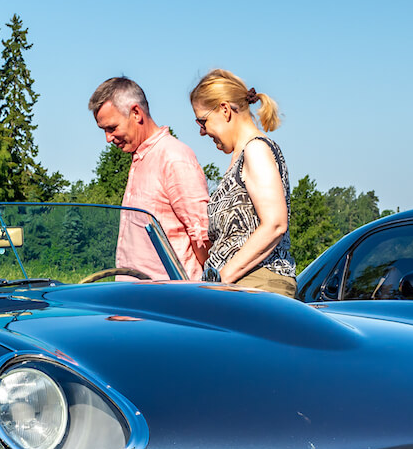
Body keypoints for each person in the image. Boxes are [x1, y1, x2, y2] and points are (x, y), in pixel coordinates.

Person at [88, 77, 210, 280]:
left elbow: (202, 238)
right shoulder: (140, 158)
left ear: (136, 113)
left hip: (168, 301)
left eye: (112, 128)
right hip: (135, 300)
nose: (108, 138)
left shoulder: (173, 157)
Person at [189, 69, 296, 296]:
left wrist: (223, 277)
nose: (201, 131)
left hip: (256, 288)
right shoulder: (241, 156)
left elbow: (275, 224)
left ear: (225, 109)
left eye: (202, 121)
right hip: (239, 289)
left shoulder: (256, 149)